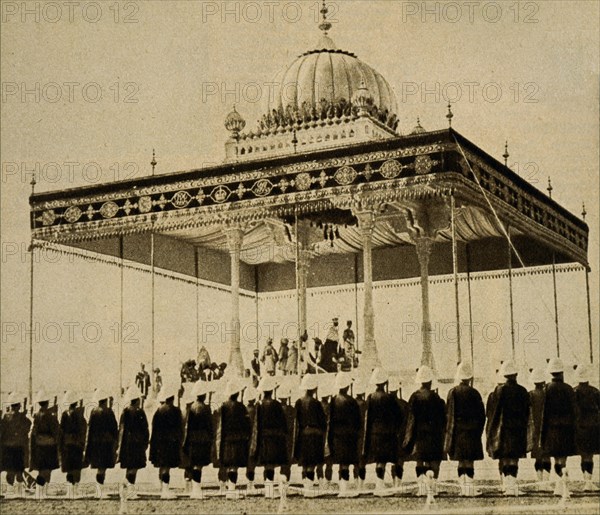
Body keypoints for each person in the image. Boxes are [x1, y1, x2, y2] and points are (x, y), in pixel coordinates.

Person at [486, 360, 530, 496]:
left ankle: (506, 485)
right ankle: (512, 485)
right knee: (514, 458)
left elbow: (492, 412)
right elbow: (527, 412)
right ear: (516, 374)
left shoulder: (499, 390)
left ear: (504, 375)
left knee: (505, 457)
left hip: (503, 429)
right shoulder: (523, 391)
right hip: (518, 429)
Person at [403, 365, 446, 496]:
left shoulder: (414, 397)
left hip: (419, 434)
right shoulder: (437, 398)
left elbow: (410, 419)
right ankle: (433, 487)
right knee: (434, 461)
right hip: (434, 434)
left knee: (420, 460)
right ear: (430, 381)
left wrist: (408, 438)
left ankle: (422, 487)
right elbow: (443, 419)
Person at [444, 362, 485, 497]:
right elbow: (481, 415)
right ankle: (470, 487)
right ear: (469, 378)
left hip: (458, 432)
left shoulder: (453, 392)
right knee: (470, 461)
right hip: (472, 432)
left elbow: (449, 414)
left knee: (461, 461)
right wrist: (478, 431)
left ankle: (463, 487)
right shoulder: (475, 393)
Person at [541, 358, 577, 496]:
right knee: (564, 458)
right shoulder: (568, 389)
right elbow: (575, 411)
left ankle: (558, 485)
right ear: (561, 373)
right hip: (566, 428)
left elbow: (544, 412)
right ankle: (564, 487)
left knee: (556, 458)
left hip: (552, 428)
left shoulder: (547, 389)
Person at [364, 368, 402, 497]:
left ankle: (379, 484)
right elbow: (398, 416)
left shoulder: (370, 397)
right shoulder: (390, 398)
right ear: (385, 383)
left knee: (379, 460)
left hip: (375, 432)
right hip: (389, 432)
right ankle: (395, 484)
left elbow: (367, 417)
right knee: (390, 459)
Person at [251, 376, 289, 498]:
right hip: (276, 437)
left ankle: (268, 490)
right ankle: (271, 490)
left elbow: (257, 423)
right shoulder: (277, 405)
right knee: (273, 464)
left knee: (267, 464)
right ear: (272, 391)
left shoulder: (259, 405)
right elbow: (283, 422)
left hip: (263, 437)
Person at [216, 378, 250, 499]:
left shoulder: (223, 407)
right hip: (238, 439)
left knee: (228, 463)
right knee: (234, 466)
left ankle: (225, 487)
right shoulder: (241, 407)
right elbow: (247, 424)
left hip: (226, 439)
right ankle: (231, 489)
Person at [294, 373, 327, 497]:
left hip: (302, 434)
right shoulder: (316, 403)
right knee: (312, 463)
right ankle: (310, 489)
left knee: (304, 462)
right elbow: (323, 422)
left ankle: (306, 487)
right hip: (315, 434)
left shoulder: (298, 402)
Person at [328, 372, 360, 498]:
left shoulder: (334, 400)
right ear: (347, 387)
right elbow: (358, 421)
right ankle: (345, 488)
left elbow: (330, 420)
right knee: (347, 461)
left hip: (337, 434)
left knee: (342, 462)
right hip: (350, 434)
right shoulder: (352, 401)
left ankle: (343, 488)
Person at [150, 384, 183, 499]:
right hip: (171, 442)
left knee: (162, 465)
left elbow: (154, 427)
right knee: (167, 467)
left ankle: (161, 485)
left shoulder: (158, 411)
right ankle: (165, 490)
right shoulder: (176, 411)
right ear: (172, 398)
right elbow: (180, 428)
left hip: (159, 442)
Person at [182, 380, 214, 499]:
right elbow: (209, 425)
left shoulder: (191, 407)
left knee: (193, 463)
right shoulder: (206, 408)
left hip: (192, 438)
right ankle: (196, 489)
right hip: (203, 438)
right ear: (204, 395)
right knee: (198, 465)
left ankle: (193, 488)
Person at [117, 386, 149, 500]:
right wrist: (145, 442)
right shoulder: (140, 412)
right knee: (134, 467)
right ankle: (129, 488)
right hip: (137, 443)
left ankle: (128, 486)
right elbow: (145, 428)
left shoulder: (125, 411)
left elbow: (121, 429)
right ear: (137, 400)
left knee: (129, 466)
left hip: (127, 443)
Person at [85, 389, 118, 499]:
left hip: (96, 443)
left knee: (100, 467)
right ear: (105, 400)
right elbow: (114, 428)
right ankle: (100, 489)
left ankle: (99, 490)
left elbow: (90, 429)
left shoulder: (93, 412)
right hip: (106, 443)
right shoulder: (109, 412)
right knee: (103, 467)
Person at [573, 363, 600, 491]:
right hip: (594, 427)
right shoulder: (595, 391)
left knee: (584, 455)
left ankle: (586, 480)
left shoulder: (574, 391)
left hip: (580, 428)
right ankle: (589, 481)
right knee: (590, 455)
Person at [30, 390, 60, 500]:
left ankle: (40, 491)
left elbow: (34, 431)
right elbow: (56, 430)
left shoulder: (36, 416)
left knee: (42, 469)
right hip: (49, 446)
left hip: (39, 446)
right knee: (47, 469)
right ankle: (43, 491)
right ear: (47, 403)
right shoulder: (50, 416)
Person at [0, 392, 31, 499]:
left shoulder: (6, 417)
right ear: (18, 405)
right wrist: (24, 415)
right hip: (18, 447)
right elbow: (27, 427)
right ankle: (18, 492)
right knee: (18, 471)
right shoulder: (21, 417)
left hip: (8, 447)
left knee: (10, 471)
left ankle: (10, 491)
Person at [58, 391, 87, 499]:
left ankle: (70, 491)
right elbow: (83, 429)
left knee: (69, 468)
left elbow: (61, 431)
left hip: (67, 444)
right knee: (77, 468)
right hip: (77, 444)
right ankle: (75, 490)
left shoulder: (64, 414)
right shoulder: (80, 415)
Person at [529, 367, 551, 490]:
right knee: (547, 455)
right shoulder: (547, 395)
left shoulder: (530, 394)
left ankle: (539, 482)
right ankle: (546, 483)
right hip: (547, 428)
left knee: (538, 456)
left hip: (534, 428)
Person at [388, 376, 409, 489]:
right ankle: (398, 483)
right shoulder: (403, 404)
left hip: (388, 435)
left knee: (392, 462)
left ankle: (393, 482)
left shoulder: (385, 403)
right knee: (399, 461)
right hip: (400, 435)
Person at [244, 386, 260, 496]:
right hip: (254, 437)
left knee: (248, 461)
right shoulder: (255, 410)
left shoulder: (245, 409)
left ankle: (249, 482)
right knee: (252, 462)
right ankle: (250, 482)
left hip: (245, 437)